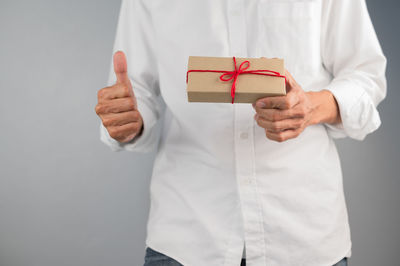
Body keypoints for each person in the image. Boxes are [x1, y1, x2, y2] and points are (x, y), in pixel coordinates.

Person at [95, 0, 386, 265]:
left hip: (303, 234)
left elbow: (366, 76)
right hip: (188, 236)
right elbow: (136, 92)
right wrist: (128, 120)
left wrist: (312, 106)